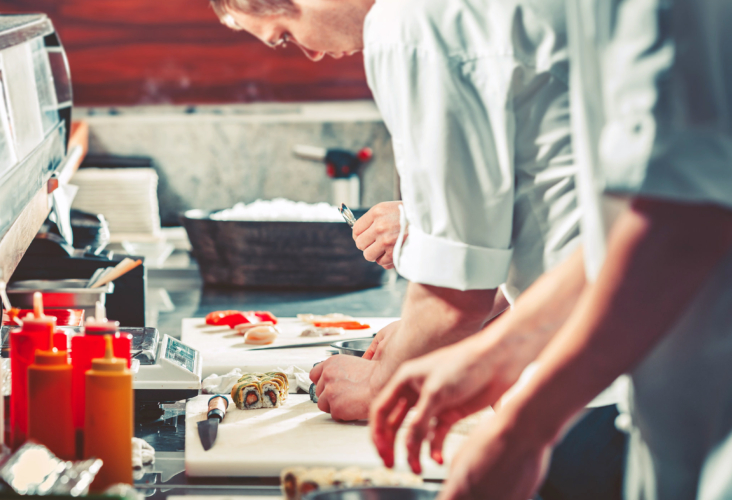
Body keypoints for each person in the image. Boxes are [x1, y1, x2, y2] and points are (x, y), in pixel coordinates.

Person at [371, 0, 732, 498]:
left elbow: (682, 221)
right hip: (659, 401)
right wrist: (495, 357)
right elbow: (628, 219)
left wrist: (522, 430)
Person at [209, 0, 583, 423]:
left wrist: (378, 384)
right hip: (618, 341)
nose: (309, 54)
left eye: (285, 35)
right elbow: (540, 205)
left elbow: (456, 294)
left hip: (599, 370)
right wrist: (413, 334)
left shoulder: (407, 25)